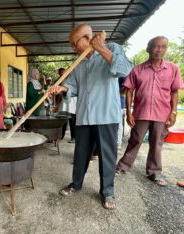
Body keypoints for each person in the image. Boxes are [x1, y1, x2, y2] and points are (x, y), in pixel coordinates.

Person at [50, 23, 132, 209]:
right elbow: (73, 86)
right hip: (85, 117)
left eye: (74, 43)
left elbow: (125, 70)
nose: (72, 47)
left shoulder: (111, 48)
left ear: (87, 38)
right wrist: (62, 88)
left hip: (106, 115)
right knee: (81, 154)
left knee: (106, 156)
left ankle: (107, 192)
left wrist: (101, 48)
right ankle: (76, 184)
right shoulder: (78, 63)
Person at [115, 36, 184, 186]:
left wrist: (173, 112)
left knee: (157, 142)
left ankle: (154, 172)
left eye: (163, 47)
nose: (159, 50)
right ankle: (123, 166)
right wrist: (129, 112)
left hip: (162, 113)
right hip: (141, 112)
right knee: (136, 139)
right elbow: (129, 91)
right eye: (156, 46)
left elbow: (174, 92)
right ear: (149, 48)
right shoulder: (137, 69)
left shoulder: (173, 69)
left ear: (166, 49)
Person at [117, 76, 127, 150]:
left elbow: (127, 87)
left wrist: (117, 94)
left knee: (119, 124)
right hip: (117, 103)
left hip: (119, 104)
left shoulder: (122, 74)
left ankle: (118, 142)